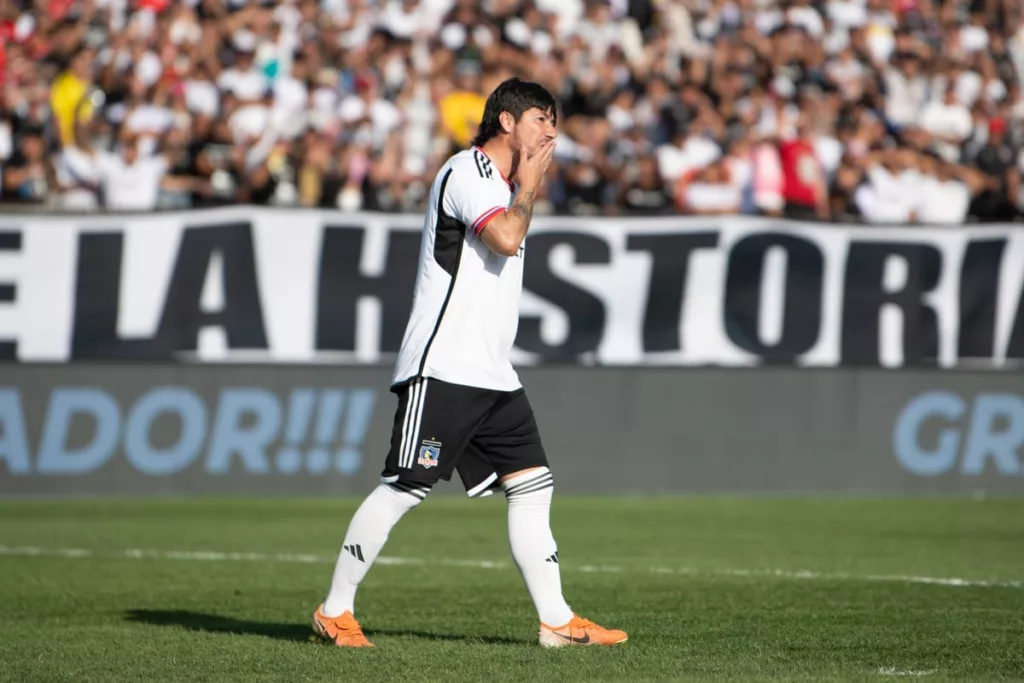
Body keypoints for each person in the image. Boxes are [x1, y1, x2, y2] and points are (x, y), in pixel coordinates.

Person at [311, 77, 628, 649]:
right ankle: (335, 610)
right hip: (446, 367)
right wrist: (529, 187)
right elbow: (505, 238)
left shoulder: (504, 184)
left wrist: (524, 186)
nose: (551, 130)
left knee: (533, 486)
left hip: (491, 373)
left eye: (554, 120)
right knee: (405, 486)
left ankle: (556, 621)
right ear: (506, 122)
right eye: (540, 118)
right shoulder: (469, 172)